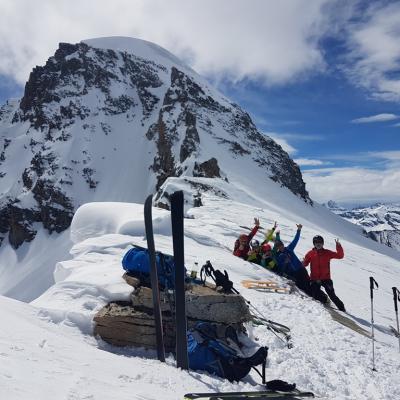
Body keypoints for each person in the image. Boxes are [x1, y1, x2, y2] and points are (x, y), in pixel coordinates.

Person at [303, 235, 345, 312]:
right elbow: (305, 263)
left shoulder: (327, 253)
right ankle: (325, 299)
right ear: (314, 243)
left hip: (326, 279)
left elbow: (340, 256)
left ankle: (342, 309)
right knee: (314, 294)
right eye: (316, 242)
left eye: (320, 242)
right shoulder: (310, 253)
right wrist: (303, 262)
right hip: (315, 279)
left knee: (332, 295)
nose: (318, 244)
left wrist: (338, 246)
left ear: (323, 243)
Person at [275, 224, 311, 295]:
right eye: (278, 247)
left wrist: (299, 230)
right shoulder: (279, 256)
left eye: (281, 245)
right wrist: (285, 263)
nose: (280, 247)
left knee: (308, 283)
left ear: (283, 244)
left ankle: (321, 297)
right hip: (294, 274)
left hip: (301, 269)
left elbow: (295, 240)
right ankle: (313, 297)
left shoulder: (289, 248)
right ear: (277, 248)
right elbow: (281, 268)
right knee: (302, 287)